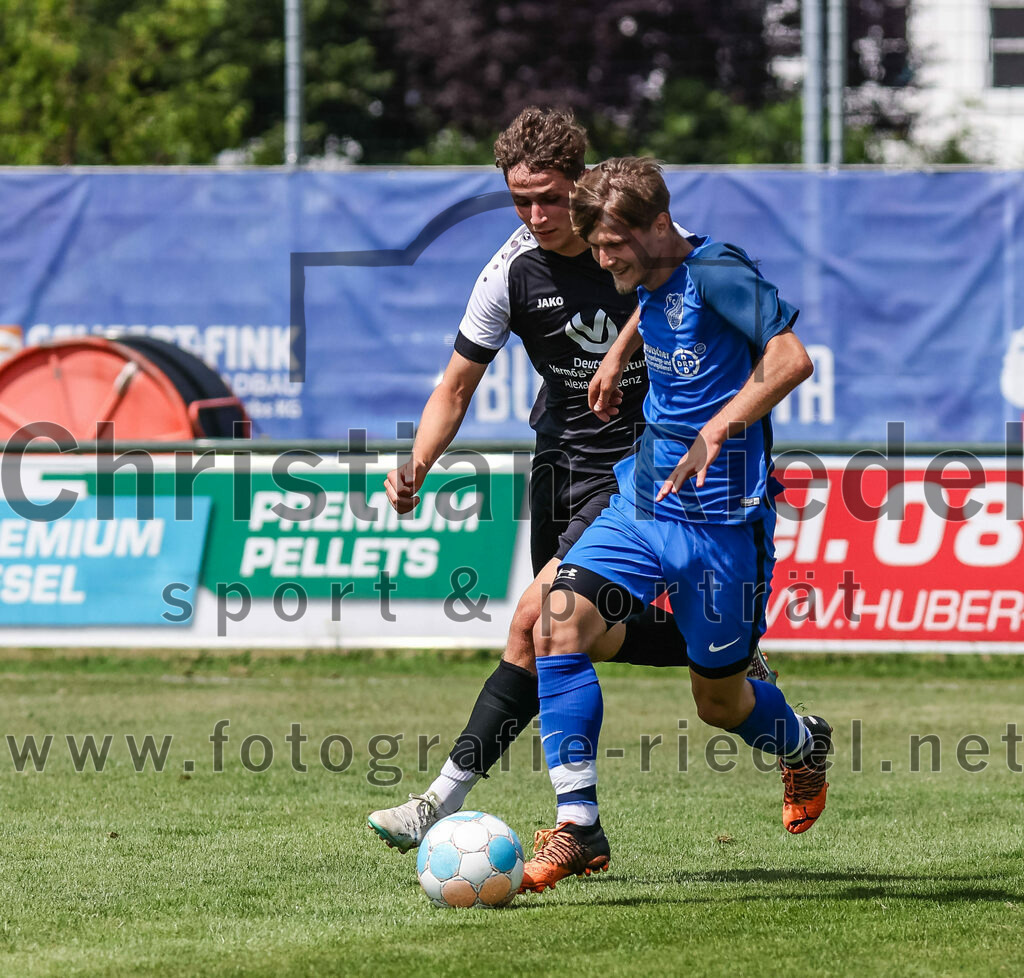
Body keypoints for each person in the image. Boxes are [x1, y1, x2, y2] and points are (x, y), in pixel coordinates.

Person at [367, 110, 775, 854]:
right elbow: (455, 387)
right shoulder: (511, 271)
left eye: (550, 197)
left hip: (643, 469)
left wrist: (713, 418)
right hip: (562, 462)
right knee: (561, 635)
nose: (537, 216)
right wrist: (417, 463)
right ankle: (721, 645)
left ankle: (461, 804)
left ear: (581, 183)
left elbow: (702, 310)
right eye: (520, 200)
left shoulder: (635, 238)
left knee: (538, 619)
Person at [519, 157, 832, 893]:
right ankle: (577, 826)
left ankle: (801, 742)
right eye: (594, 247)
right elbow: (656, 296)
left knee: (718, 703)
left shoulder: (720, 269)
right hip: (643, 502)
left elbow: (792, 360)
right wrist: (621, 350)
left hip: (723, 526)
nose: (603, 260)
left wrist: (722, 425)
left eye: (613, 246)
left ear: (660, 225)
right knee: (555, 623)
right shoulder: (654, 270)